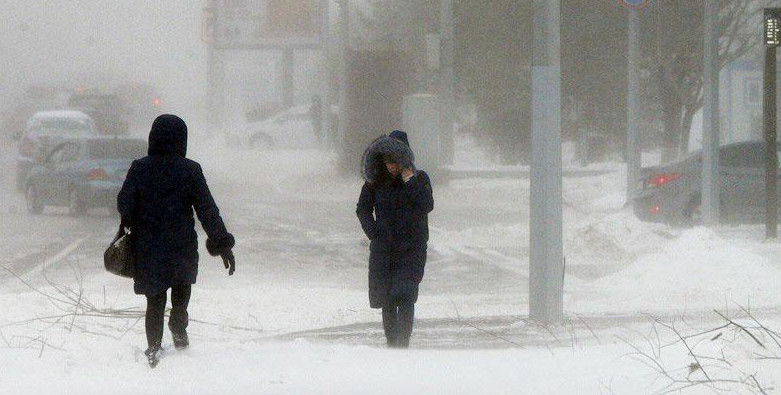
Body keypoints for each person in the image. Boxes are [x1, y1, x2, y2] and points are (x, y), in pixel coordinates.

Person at [118, 114, 236, 367]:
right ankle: (179, 325)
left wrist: (136, 214)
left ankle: (153, 348)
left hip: (149, 247)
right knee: (181, 291)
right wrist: (222, 244)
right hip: (181, 246)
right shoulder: (190, 170)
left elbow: (124, 204)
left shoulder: (140, 168)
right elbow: (207, 210)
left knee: (155, 300)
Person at [356, 130, 434, 348]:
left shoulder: (419, 179)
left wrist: (410, 181)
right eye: (387, 160)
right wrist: (374, 233)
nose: (391, 166)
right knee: (388, 298)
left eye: (395, 161)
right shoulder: (374, 182)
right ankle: (392, 343)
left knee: (406, 296)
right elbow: (362, 209)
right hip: (385, 249)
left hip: (412, 248)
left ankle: (403, 344)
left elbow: (426, 205)